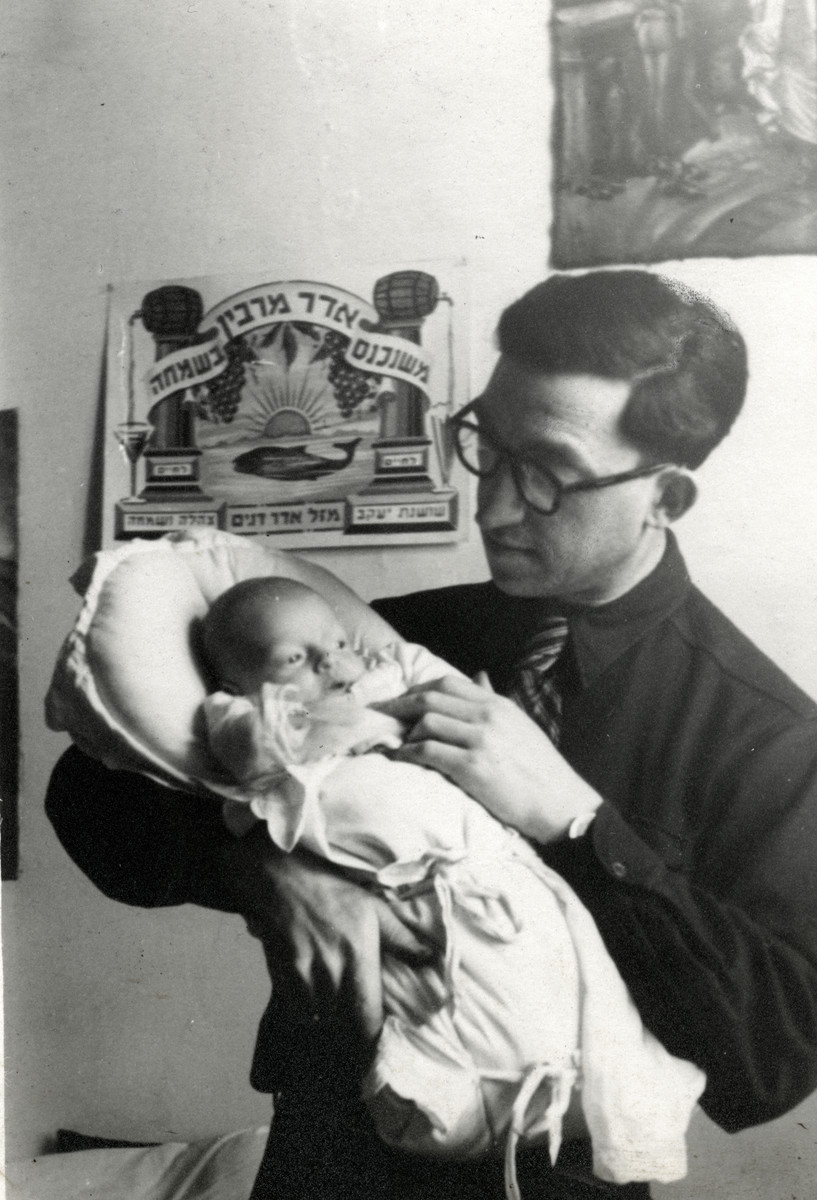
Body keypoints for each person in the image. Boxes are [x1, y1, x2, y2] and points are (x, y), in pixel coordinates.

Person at [45, 269, 817, 1199]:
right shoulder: (368, 640)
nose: (489, 509)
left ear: (667, 498)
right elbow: (89, 799)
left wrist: (578, 822)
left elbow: (769, 1064)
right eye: (485, 446)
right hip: (322, 1163)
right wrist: (265, 869)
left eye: (547, 478)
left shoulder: (768, 736)